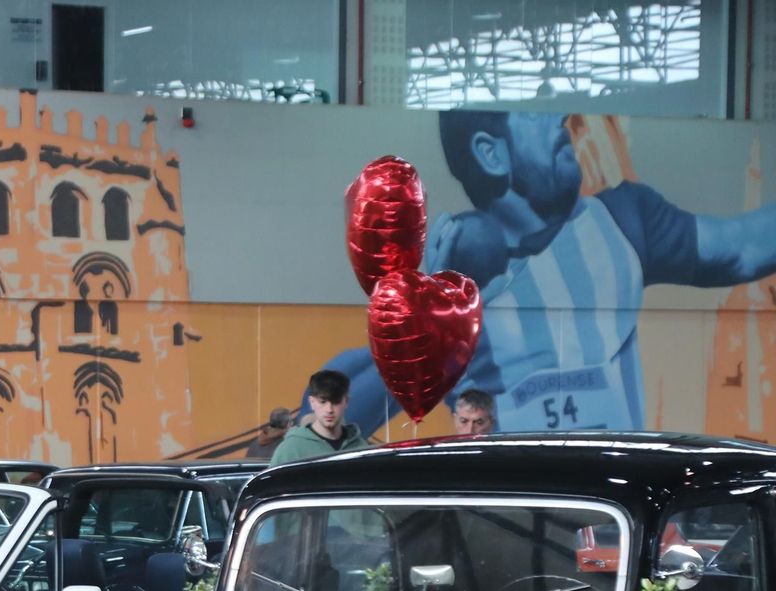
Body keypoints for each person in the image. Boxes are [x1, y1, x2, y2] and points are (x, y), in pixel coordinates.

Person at [320, 110, 776, 434]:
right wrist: (426, 324)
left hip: (613, 516)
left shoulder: (623, 222)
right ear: (490, 154)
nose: (562, 117)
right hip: (511, 529)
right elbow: (334, 404)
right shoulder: (456, 288)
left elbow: (744, 249)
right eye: (536, 113)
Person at [270, 370, 370, 466]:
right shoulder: (290, 450)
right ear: (312, 402)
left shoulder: (362, 449)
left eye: (336, 402)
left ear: (346, 401)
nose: (329, 409)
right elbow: (271, 483)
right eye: (322, 402)